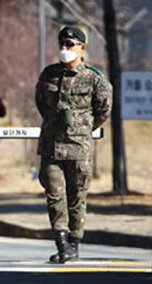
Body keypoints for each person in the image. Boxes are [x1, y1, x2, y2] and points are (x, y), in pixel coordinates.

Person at [35, 26, 112, 264]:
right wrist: (54, 123)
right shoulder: (49, 74)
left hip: (79, 148)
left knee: (76, 197)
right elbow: (41, 103)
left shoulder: (95, 78)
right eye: (61, 44)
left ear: (82, 48)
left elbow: (103, 111)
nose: (64, 49)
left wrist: (81, 126)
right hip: (51, 146)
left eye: (69, 45)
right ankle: (61, 243)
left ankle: (74, 242)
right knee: (54, 195)